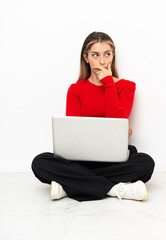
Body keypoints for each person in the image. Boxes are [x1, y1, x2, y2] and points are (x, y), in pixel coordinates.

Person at [31, 32, 155, 202]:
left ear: (113, 56)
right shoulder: (76, 89)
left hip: (114, 160)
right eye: (95, 55)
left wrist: (109, 84)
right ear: (86, 58)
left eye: (107, 54)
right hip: (81, 160)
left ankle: (68, 186)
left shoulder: (126, 87)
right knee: (40, 162)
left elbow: (117, 123)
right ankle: (115, 189)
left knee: (146, 163)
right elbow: (73, 134)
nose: (102, 61)